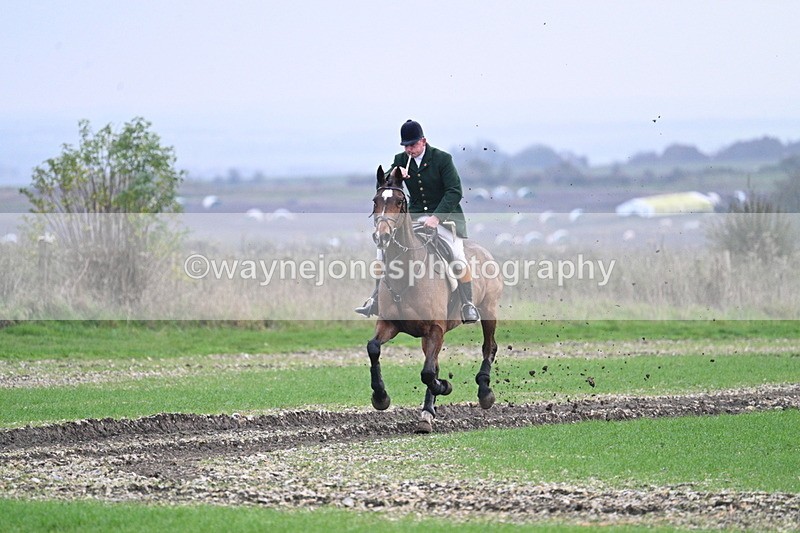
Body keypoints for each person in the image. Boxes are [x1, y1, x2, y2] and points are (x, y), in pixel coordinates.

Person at [355, 119, 480, 323]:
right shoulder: (401, 159)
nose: (409, 149)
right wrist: (395, 174)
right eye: (406, 146)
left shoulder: (442, 159)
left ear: (423, 141)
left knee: (458, 256)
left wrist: (436, 217)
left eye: (412, 145)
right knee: (382, 250)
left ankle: (467, 304)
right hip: (413, 217)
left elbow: (454, 191)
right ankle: (375, 298)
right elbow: (386, 183)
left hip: (445, 218)